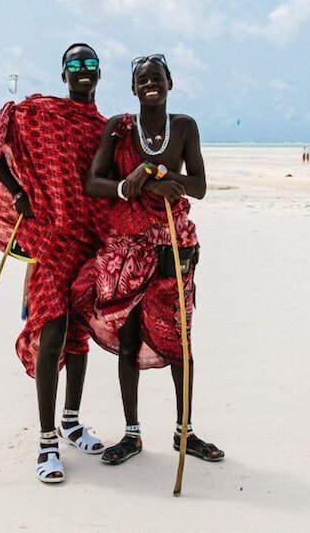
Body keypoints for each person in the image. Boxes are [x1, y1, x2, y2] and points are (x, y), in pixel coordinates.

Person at [0, 43, 108, 483]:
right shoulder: (41, 113)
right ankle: (46, 440)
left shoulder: (104, 129)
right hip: (50, 240)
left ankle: (71, 422)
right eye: (74, 64)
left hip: (88, 242)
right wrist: (17, 191)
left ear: (99, 73)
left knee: (78, 334)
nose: (82, 70)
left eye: (90, 64)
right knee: (52, 330)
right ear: (63, 74)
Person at [71, 53, 224, 465]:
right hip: (128, 249)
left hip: (174, 245)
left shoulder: (185, 127)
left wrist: (155, 176)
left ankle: (185, 432)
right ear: (133, 88)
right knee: (127, 343)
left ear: (169, 83)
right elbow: (93, 183)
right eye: (143, 80)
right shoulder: (119, 128)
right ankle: (132, 434)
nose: (151, 84)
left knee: (180, 342)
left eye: (157, 78)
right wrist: (129, 185)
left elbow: (199, 186)